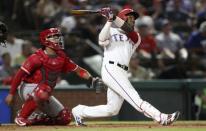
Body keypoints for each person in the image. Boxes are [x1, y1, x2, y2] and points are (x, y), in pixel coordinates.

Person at [72, 7, 180, 126]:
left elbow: (128, 29)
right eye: (130, 17)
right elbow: (101, 40)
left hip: (122, 71)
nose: (133, 20)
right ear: (123, 17)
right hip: (111, 68)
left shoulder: (135, 36)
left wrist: (113, 17)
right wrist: (109, 20)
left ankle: (79, 111)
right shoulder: (112, 31)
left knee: (112, 109)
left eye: (134, 18)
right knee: (134, 97)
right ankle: (161, 117)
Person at [5, 27, 97, 126]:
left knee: (65, 118)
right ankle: (21, 117)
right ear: (45, 40)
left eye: (57, 36)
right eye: (53, 37)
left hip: (45, 91)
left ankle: (35, 120)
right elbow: (19, 75)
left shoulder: (62, 56)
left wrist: (91, 78)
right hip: (28, 88)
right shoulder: (36, 57)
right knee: (44, 90)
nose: (57, 39)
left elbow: (79, 71)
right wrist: (11, 94)